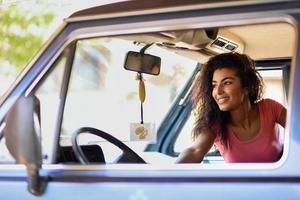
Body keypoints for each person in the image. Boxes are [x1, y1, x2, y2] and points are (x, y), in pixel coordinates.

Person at [176, 52, 286, 163]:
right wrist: (168, 177)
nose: (218, 91)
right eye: (214, 85)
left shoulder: (270, 108)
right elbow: (195, 150)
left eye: (227, 83)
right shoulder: (215, 125)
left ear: (246, 86)